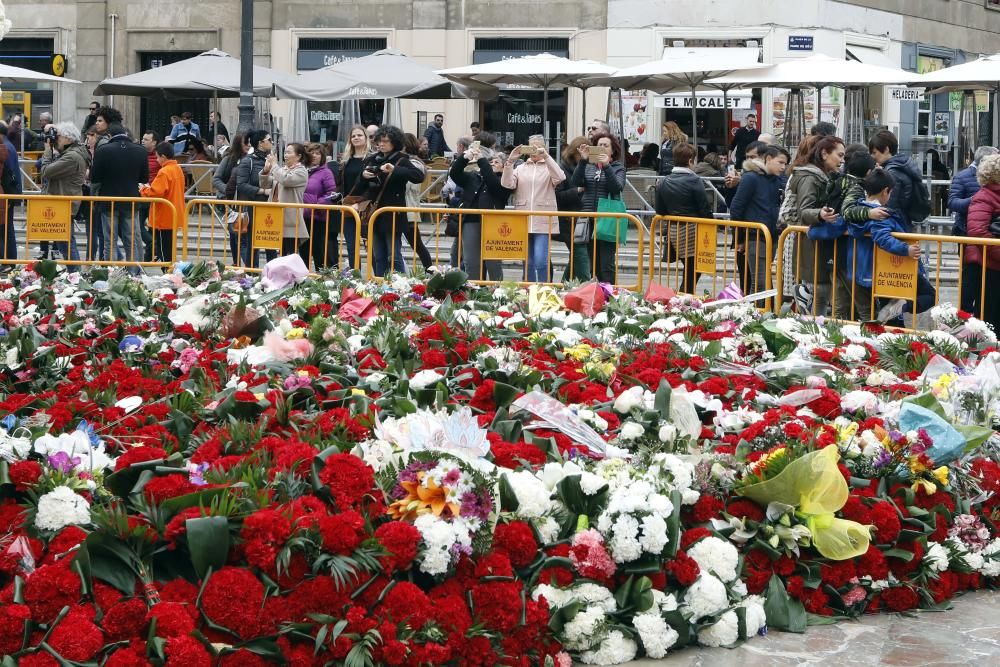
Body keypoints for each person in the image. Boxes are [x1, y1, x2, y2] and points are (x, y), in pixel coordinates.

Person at [849, 168, 936, 324]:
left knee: (879, 317)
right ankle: (901, 307)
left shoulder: (857, 210)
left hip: (867, 271)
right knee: (929, 296)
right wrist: (906, 249)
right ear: (885, 192)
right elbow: (882, 237)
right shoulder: (879, 213)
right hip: (892, 267)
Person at [782, 135, 846, 316]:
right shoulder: (810, 177)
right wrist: (820, 214)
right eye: (839, 155)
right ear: (824, 153)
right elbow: (804, 210)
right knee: (818, 293)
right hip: (810, 244)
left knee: (821, 292)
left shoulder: (825, 175)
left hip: (818, 242)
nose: (842, 160)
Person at [502, 134, 566, 282]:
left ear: (544, 147)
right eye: (532, 146)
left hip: (543, 219)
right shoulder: (521, 168)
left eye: (538, 146)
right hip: (522, 218)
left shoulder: (549, 167)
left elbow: (560, 178)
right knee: (527, 262)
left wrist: (547, 157)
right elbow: (507, 184)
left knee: (540, 261)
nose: (535, 150)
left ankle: (544, 289)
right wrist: (510, 161)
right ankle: (527, 290)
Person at [729, 145, 789, 300]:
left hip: (772, 234)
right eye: (780, 162)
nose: (783, 167)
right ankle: (755, 316)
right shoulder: (751, 178)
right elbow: (736, 208)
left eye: (785, 164)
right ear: (768, 159)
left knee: (762, 280)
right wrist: (739, 238)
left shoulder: (776, 180)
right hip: (755, 235)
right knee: (759, 282)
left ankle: (758, 313)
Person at [363, 125, 424, 276]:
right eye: (379, 141)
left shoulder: (401, 159)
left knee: (394, 256)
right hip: (374, 212)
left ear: (394, 142)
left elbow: (418, 176)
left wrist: (395, 170)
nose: (381, 144)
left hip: (393, 214)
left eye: (385, 141)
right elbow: (360, 185)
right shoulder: (372, 158)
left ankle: (400, 285)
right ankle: (379, 287)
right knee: (378, 256)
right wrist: (363, 176)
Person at [655, 142, 712, 294]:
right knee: (693, 269)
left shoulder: (663, 181)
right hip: (694, 230)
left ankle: (684, 296)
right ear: (690, 161)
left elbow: (659, 210)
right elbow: (704, 208)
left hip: (674, 231)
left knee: (690, 269)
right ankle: (683, 298)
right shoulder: (695, 181)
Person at [90, 122, 149, 270]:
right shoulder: (140, 151)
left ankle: (111, 271)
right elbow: (144, 178)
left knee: (110, 240)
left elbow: (95, 178)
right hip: (131, 200)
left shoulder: (103, 150)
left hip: (108, 200)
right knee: (131, 239)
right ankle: (133, 272)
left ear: (109, 135)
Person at [449, 143, 511, 281]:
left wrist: (483, 162)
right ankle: (474, 292)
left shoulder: (505, 180)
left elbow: (493, 184)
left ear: (503, 166)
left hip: (493, 223)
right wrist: (464, 158)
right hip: (471, 221)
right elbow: (454, 174)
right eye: (491, 161)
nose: (493, 164)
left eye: (497, 162)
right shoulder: (473, 176)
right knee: (471, 261)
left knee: (493, 262)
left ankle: (498, 294)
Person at [949, 146, 999, 314]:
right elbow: (953, 203)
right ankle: (965, 320)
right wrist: (972, 201)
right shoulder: (963, 178)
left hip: (983, 249)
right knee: (971, 287)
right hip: (969, 239)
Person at [574, 131, 626, 284]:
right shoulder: (589, 166)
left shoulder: (618, 167)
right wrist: (582, 161)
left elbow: (617, 187)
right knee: (593, 263)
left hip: (607, 219)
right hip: (589, 217)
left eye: (606, 145)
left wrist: (607, 166)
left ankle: (610, 295)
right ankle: (596, 294)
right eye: (599, 145)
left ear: (612, 150)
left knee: (606, 264)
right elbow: (576, 181)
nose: (602, 147)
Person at [38, 122, 87, 267]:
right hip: (62, 202)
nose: (55, 139)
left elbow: (46, 171)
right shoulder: (71, 153)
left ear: (69, 139)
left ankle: (75, 273)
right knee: (64, 242)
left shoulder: (72, 157)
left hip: (64, 204)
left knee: (66, 243)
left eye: (58, 136)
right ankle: (74, 273)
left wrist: (47, 150)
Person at [868, 129, 931, 229]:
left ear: (886, 149)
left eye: (874, 152)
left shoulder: (892, 172)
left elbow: (889, 206)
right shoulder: (902, 165)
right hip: (903, 221)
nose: (872, 156)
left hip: (895, 225)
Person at [965, 153, 1000, 330]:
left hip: (992, 263)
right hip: (988, 266)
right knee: (989, 317)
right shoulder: (984, 196)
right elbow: (977, 232)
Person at [260, 142, 310, 264]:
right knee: (278, 253)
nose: (285, 155)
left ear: (298, 156)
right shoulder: (282, 170)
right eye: (285, 152)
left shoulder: (301, 171)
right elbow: (266, 184)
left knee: (289, 254)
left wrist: (274, 166)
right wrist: (266, 171)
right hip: (274, 217)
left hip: (290, 219)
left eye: (289, 152)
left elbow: (286, 180)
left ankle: (292, 279)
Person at [139, 141, 186, 263]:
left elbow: (155, 192)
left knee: (164, 251)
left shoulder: (164, 172)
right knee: (168, 249)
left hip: (163, 217)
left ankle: (167, 273)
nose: (157, 160)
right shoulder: (177, 169)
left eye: (157, 157)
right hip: (174, 214)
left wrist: (143, 189)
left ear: (163, 157)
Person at [235, 129, 274, 267]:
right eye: (269, 140)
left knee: (271, 241)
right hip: (253, 207)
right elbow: (241, 185)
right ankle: (251, 272)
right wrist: (262, 191)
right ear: (260, 143)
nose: (272, 142)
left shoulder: (271, 160)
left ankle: (273, 272)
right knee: (252, 242)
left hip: (270, 207)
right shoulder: (247, 161)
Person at [338, 125, 372, 271]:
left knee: (370, 245)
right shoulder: (347, 160)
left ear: (366, 138)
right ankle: (355, 276)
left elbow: (374, 185)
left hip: (367, 206)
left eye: (359, 135)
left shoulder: (372, 158)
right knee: (352, 245)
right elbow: (342, 183)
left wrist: (362, 202)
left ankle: (376, 278)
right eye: (353, 136)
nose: (356, 138)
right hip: (348, 205)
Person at [554, 136, 588, 281]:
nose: (584, 155)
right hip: (568, 219)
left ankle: (564, 284)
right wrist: (578, 190)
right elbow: (558, 196)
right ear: (574, 152)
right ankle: (586, 285)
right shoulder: (562, 168)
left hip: (583, 217)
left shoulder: (587, 166)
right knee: (580, 254)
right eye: (581, 152)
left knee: (576, 256)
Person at [303, 142, 340, 270]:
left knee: (319, 251)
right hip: (302, 216)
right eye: (311, 153)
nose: (314, 155)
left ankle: (320, 281)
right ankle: (301, 282)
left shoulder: (326, 172)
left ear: (322, 156)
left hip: (317, 217)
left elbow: (331, 194)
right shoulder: (302, 170)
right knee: (303, 251)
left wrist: (315, 205)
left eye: (317, 153)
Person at [401, 132, 434, 271]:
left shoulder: (414, 164)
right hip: (403, 209)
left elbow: (407, 186)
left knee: (417, 244)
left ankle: (430, 270)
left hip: (408, 210)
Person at [215, 132, 248, 265]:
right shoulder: (228, 159)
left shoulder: (253, 159)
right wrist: (228, 191)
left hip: (247, 202)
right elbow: (216, 179)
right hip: (231, 204)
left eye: (250, 142)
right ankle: (236, 263)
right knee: (234, 234)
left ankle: (248, 266)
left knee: (244, 237)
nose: (248, 145)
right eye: (245, 142)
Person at [138, 131, 161, 262]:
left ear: (154, 142)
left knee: (151, 227)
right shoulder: (140, 154)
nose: (143, 141)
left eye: (146, 139)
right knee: (138, 224)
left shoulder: (159, 158)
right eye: (143, 138)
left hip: (154, 196)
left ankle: (149, 257)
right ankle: (152, 244)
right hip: (142, 195)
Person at [0, 121, 21, 260]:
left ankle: (7, 260)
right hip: (8, 194)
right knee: (7, 230)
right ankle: (10, 260)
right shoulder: (8, 146)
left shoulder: (5, 148)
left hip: (6, 194)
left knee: (5, 231)